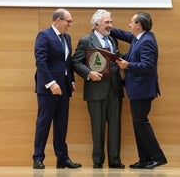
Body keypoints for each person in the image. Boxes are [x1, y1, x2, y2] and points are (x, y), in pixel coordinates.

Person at [110, 12, 167, 169]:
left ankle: (158, 157)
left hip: (143, 90)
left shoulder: (147, 41)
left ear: (138, 25)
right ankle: (144, 159)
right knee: (138, 124)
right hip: (137, 89)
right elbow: (123, 34)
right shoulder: (139, 38)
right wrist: (108, 28)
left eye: (131, 22)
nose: (129, 25)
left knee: (141, 122)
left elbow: (148, 66)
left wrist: (127, 65)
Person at [71, 9, 125, 169]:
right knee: (97, 128)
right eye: (107, 22)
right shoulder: (86, 40)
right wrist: (89, 73)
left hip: (115, 89)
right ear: (97, 24)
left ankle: (115, 161)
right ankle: (98, 161)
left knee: (115, 127)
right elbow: (75, 62)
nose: (110, 25)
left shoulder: (113, 40)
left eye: (111, 22)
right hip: (95, 91)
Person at [33, 8, 82, 169]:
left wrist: (71, 81)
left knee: (61, 124)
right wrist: (51, 83)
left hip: (64, 88)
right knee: (44, 123)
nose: (70, 24)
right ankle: (38, 158)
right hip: (48, 89)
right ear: (58, 20)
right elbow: (41, 62)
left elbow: (67, 63)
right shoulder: (44, 35)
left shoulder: (66, 38)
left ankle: (62, 158)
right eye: (68, 21)